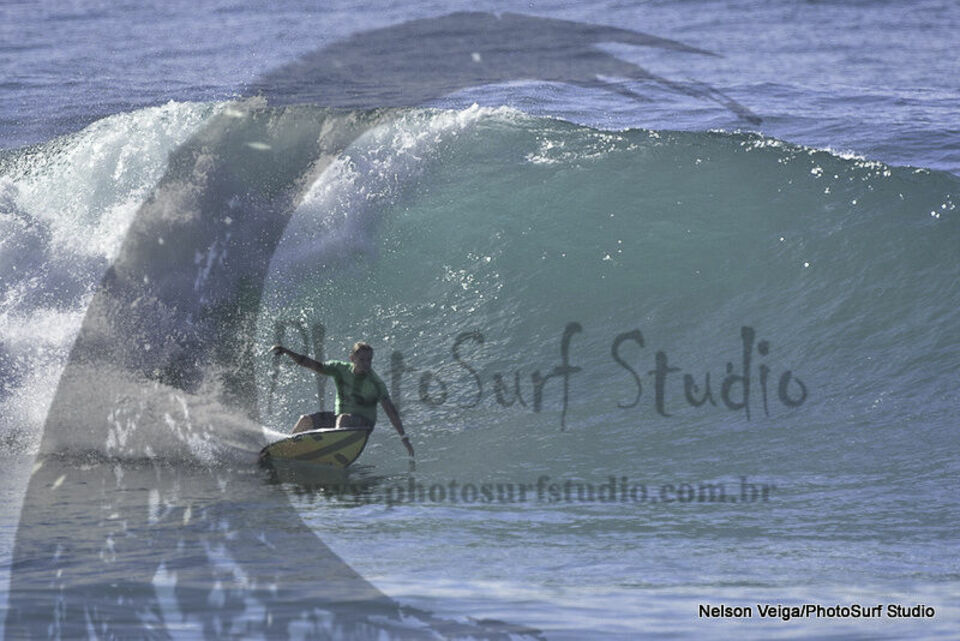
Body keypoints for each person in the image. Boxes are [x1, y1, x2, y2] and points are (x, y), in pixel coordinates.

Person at [270, 341, 414, 458]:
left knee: (343, 418)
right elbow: (310, 363)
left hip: (362, 427)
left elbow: (391, 411)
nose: (366, 364)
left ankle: (332, 447)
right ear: (352, 359)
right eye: (362, 360)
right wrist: (287, 351)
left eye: (369, 360)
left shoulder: (376, 383)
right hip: (341, 420)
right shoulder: (340, 369)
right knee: (305, 420)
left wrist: (404, 437)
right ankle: (285, 450)